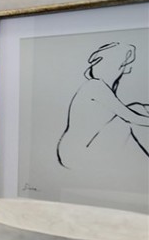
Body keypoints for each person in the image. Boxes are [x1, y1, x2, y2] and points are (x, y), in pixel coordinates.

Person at [56, 42, 149, 170]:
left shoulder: (103, 87)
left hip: (85, 147)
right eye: (125, 64)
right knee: (128, 119)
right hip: (76, 153)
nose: (128, 69)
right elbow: (131, 117)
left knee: (137, 108)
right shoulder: (95, 86)